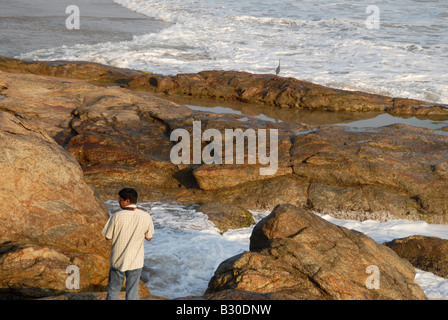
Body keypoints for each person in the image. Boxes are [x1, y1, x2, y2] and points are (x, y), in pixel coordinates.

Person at [102, 188, 154, 300]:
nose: (119, 202)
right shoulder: (146, 216)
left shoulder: (117, 216)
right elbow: (149, 238)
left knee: (113, 291)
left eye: (120, 200)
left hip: (118, 260)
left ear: (127, 201)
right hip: (136, 260)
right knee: (132, 293)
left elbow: (107, 236)